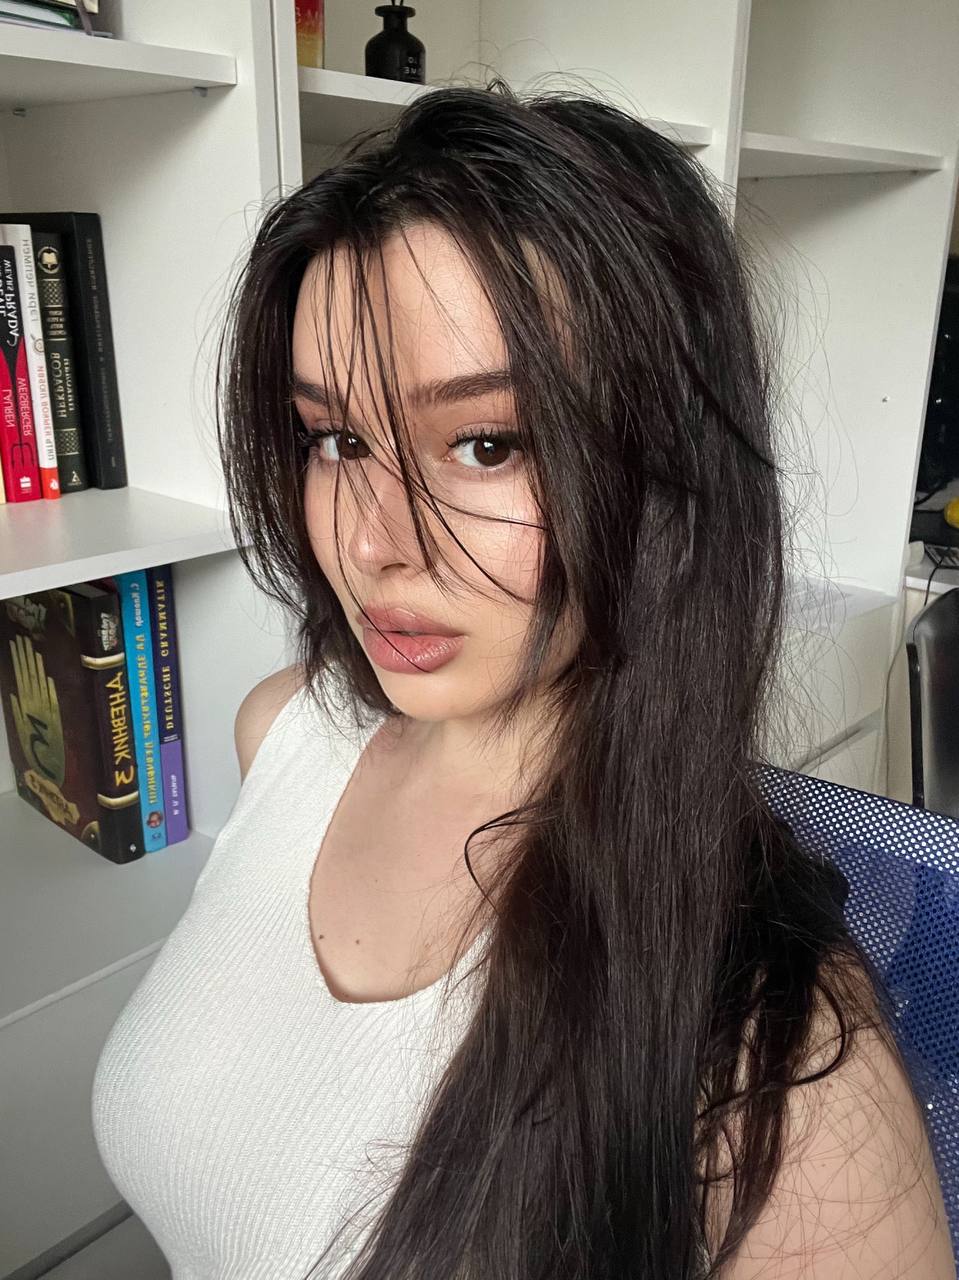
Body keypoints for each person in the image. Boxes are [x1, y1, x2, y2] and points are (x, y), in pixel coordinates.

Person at [91, 80, 956, 1279]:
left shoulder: (780, 1072)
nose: (373, 542)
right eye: (335, 438)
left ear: (663, 471)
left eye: (485, 442)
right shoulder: (282, 732)